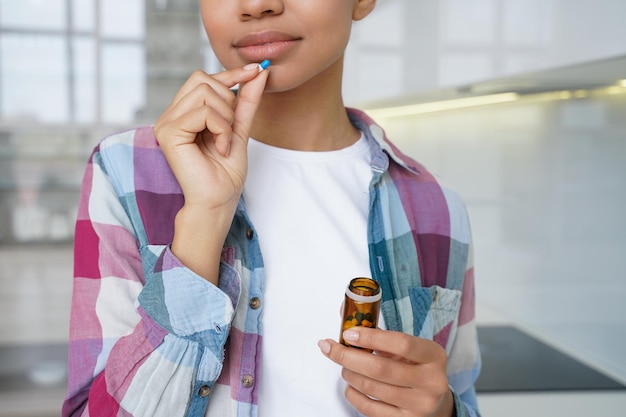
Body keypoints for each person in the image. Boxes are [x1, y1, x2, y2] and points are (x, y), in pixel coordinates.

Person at [62, 0, 481, 416]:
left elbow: (460, 396)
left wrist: (444, 410)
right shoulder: (124, 171)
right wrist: (204, 219)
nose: (257, 5)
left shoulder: (439, 209)